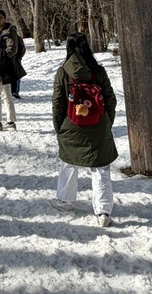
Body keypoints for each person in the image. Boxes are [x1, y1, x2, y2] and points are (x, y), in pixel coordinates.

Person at [49, 32, 118, 227]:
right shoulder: (98, 71)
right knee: (101, 168)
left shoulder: (63, 71)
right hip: (99, 125)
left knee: (69, 164)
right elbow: (110, 98)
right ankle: (103, 212)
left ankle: (65, 201)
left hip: (72, 124)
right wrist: (107, 121)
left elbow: (58, 102)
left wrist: (60, 127)